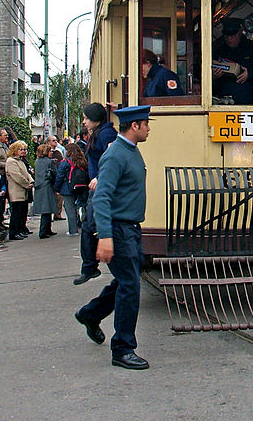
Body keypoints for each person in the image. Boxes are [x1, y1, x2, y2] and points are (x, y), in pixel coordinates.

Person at [75, 105, 152, 369]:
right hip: (118, 230)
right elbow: (103, 198)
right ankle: (122, 348)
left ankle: (90, 314)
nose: (149, 128)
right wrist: (105, 237)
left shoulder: (129, 150)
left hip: (129, 228)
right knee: (130, 286)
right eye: (146, 124)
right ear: (135, 127)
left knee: (126, 280)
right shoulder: (116, 155)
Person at [74, 103, 118, 285]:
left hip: (100, 186)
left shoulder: (106, 134)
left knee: (90, 226)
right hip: (97, 186)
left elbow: (111, 157)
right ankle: (90, 266)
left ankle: (90, 267)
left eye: (86, 118)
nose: (84, 122)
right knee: (90, 226)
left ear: (95, 118)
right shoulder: (100, 133)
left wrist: (100, 177)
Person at [212, 18, 253, 105]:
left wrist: (250, 73)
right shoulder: (219, 50)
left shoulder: (252, 48)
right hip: (224, 98)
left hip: (247, 97)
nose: (229, 39)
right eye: (226, 37)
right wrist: (214, 76)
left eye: (232, 36)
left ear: (239, 33)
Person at [55, 143, 89, 236]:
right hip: (82, 187)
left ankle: (73, 230)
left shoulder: (65, 162)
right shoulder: (83, 161)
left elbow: (60, 176)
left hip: (68, 188)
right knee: (83, 206)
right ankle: (85, 225)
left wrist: (57, 189)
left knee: (70, 209)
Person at [5, 141, 34, 241]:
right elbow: (17, 176)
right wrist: (27, 184)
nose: (23, 151)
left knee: (22, 211)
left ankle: (20, 229)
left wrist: (31, 181)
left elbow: (26, 174)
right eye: (21, 149)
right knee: (16, 212)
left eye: (24, 149)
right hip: (16, 190)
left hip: (23, 190)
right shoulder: (11, 161)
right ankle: (14, 232)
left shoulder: (20, 161)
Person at [31, 143, 58, 239]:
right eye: (50, 151)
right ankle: (44, 231)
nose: (51, 152)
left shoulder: (37, 161)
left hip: (39, 185)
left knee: (45, 209)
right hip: (47, 186)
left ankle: (47, 229)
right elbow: (54, 173)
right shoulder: (49, 162)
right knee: (47, 209)